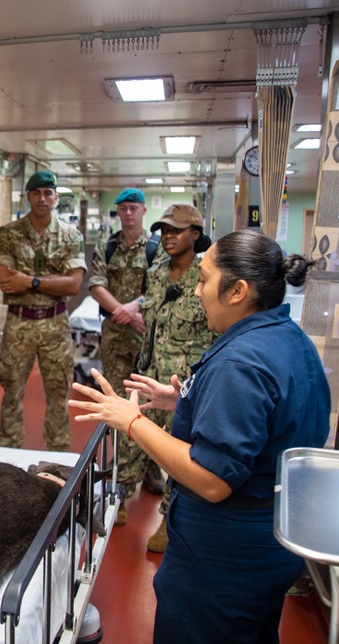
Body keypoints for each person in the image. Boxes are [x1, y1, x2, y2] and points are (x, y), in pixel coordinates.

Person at [69, 229, 330, 644]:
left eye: (205, 279)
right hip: (267, 545)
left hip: (224, 560)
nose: (195, 292)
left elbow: (212, 480)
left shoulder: (242, 363)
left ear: (238, 290)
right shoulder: (285, 338)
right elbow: (273, 416)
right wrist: (185, 398)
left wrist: (133, 421)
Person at [135, 203, 218, 552]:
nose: (167, 236)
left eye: (175, 230)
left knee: (180, 453)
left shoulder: (207, 278)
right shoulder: (155, 272)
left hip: (184, 380)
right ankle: (120, 494)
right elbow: (151, 321)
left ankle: (170, 520)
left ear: (195, 235)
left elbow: (217, 331)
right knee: (134, 437)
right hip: (151, 369)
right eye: (164, 230)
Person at [0, 171, 84, 452]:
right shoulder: (8, 234)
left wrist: (30, 281)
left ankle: (57, 457)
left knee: (58, 394)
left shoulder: (70, 235)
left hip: (55, 323)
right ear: (28, 197)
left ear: (56, 197)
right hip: (19, 324)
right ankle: (8, 454)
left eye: (48, 193)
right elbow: (6, 280)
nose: (42, 198)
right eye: (36, 193)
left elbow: (74, 284)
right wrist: (52, 283)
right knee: (12, 393)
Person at [87, 188, 162, 525]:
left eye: (133, 208)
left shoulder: (156, 247)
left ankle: (150, 468)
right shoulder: (109, 246)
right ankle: (119, 481)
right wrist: (121, 311)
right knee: (117, 404)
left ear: (144, 210)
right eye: (122, 209)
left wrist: (134, 308)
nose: (128, 214)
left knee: (148, 405)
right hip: (117, 338)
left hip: (147, 338)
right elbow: (96, 285)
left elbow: (160, 286)